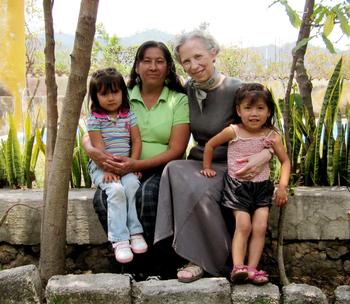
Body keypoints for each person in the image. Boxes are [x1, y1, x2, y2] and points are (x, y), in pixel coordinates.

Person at [153, 30, 274, 283]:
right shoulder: (187, 90)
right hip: (200, 160)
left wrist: (265, 154)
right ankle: (170, 251)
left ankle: (203, 261)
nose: (193, 66)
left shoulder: (238, 88)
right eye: (186, 61)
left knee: (200, 188)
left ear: (214, 53)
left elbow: (270, 130)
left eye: (198, 56)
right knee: (173, 169)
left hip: (233, 165)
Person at [83, 41, 190, 277]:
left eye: (159, 61)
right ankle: (128, 264)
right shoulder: (122, 94)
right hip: (119, 168)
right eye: (147, 61)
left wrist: (136, 164)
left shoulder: (177, 100)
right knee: (104, 198)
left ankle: (157, 267)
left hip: (161, 168)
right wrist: (92, 151)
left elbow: (177, 149)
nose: (153, 66)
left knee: (148, 196)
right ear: (137, 66)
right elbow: (93, 128)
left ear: (168, 67)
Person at [200, 83, 290, 284]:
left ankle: (252, 269)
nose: (254, 114)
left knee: (260, 226)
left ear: (268, 112)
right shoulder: (233, 131)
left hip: (262, 188)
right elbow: (210, 145)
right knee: (244, 225)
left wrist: (282, 186)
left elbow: (285, 161)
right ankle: (237, 267)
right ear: (239, 111)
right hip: (237, 188)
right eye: (248, 108)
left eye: (260, 108)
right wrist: (207, 166)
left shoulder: (272, 136)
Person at [87, 67, 148, 264]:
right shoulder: (95, 119)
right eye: (104, 94)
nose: (111, 98)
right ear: (96, 97)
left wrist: (134, 164)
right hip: (102, 167)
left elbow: (136, 141)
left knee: (131, 186)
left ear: (123, 92)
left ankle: (135, 232)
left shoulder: (129, 115)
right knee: (115, 191)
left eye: (115, 92)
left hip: (126, 166)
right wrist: (107, 168)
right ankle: (120, 239)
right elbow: (98, 147)